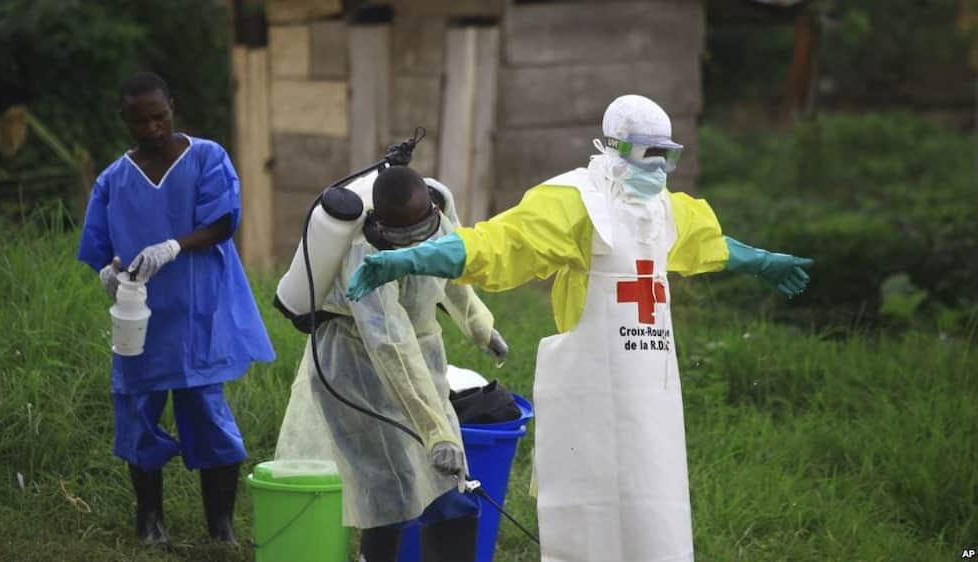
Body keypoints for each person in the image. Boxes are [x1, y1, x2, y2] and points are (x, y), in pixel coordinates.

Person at [346, 95, 814, 561]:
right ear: (614, 147)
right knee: (591, 516)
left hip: (652, 403)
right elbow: (495, 245)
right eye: (648, 154)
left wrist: (764, 261)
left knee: (656, 505)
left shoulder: (665, 211)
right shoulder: (575, 203)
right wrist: (409, 258)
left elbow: (709, 244)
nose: (659, 168)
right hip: (589, 399)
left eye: (668, 155)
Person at [77, 72, 275, 546]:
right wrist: (109, 269)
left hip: (196, 311)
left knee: (207, 413)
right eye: (139, 121)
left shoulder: (207, 158)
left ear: (173, 107)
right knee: (137, 414)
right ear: (123, 119)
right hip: (139, 319)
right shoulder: (113, 180)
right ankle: (150, 523)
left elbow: (223, 221)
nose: (151, 128)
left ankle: (221, 528)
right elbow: (100, 244)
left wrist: (173, 246)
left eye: (159, 116)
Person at [273, 166, 508, 562]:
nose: (415, 244)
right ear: (380, 224)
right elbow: (390, 344)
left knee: (452, 484)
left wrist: (480, 327)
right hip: (355, 368)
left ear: (433, 209)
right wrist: (436, 432)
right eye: (403, 237)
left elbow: (450, 270)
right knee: (389, 489)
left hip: (422, 356)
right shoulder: (364, 256)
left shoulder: (437, 215)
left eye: (423, 230)